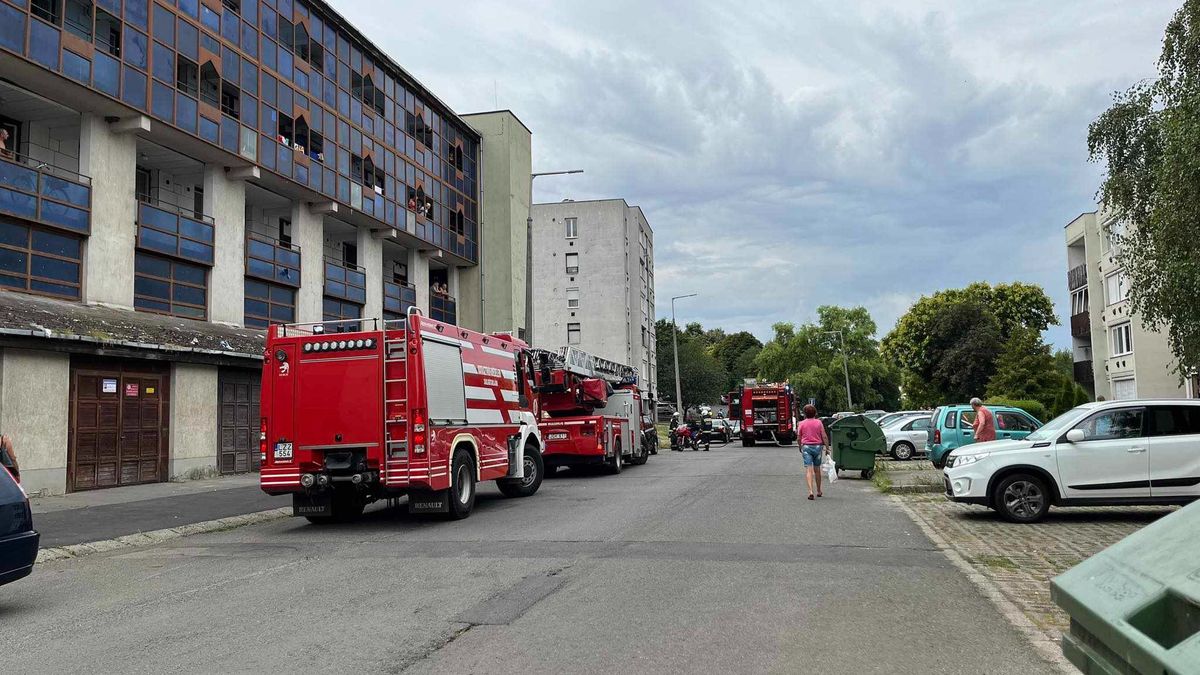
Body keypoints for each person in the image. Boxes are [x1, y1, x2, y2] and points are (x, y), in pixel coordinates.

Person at [797, 404, 829, 500]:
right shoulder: (819, 423)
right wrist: (827, 448)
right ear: (815, 413)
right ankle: (819, 490)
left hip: (806, 447)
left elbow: (799, 437)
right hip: (818, 447)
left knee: (809, 470)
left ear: (805, 414)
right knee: (817, 470)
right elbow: (824, 436)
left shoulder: (801, 423)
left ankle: (811, 491)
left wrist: (800, 446)